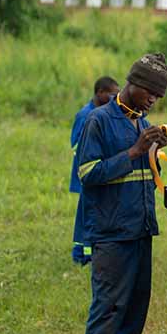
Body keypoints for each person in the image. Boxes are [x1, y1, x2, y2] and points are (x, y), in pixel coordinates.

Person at [74, 53, 167, 334]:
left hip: (141, 230)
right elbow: (88, 172)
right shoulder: (98, 121)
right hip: (112, 235)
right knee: (107, 311)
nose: (153, 100)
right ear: (133, 83)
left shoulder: (140, 123)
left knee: (133, 314)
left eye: (158, 97)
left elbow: (143, 174)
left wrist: (152, 151)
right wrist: (132, 152)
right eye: (150, 91)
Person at [70, 76, 119, 265]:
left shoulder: (103, 113)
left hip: (99, 174)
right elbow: (77, 144)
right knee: (86, 214)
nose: (115, 98)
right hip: (87, 174)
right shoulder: (86, 115)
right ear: (100, 93)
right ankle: (81, 254)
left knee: (94, 213)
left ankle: (93, 251)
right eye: (112, 94)